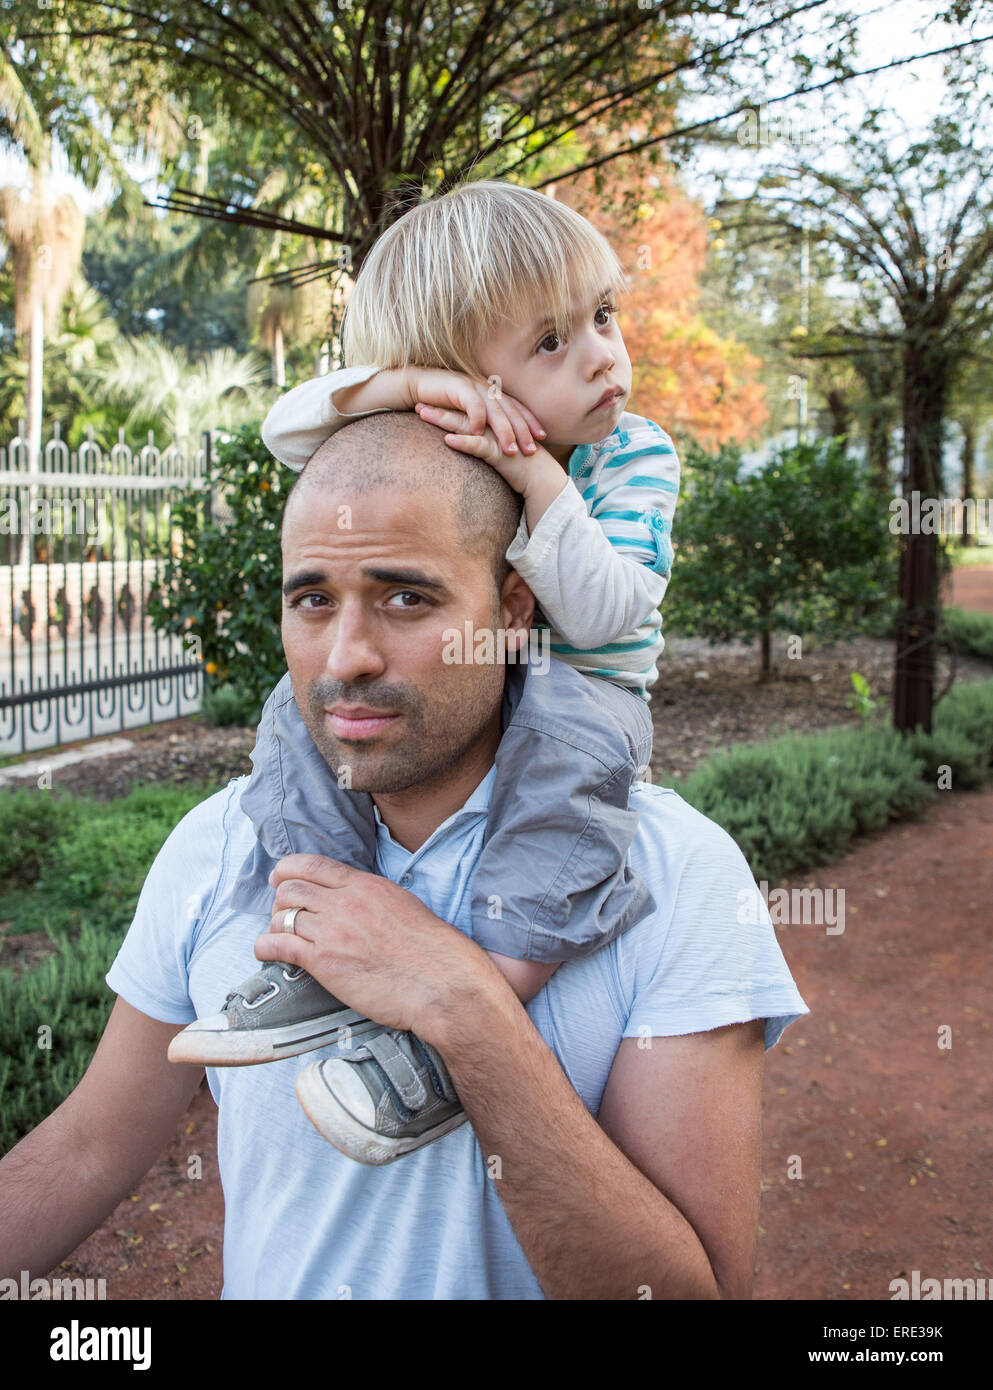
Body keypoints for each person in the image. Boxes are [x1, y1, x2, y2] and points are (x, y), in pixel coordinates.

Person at [0, 413, 809, 1300]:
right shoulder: (221, 844)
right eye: (312, 599)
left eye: (406, 598)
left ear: (509, 609)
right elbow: (86, 1148)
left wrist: (466, 1008)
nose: (345, 658)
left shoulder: (674, 873)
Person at [169, 181, 682, 1164]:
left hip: (580, 683)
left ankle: (460, 1033)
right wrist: (404, 391)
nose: (601, 356)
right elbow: (288, 427)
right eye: (549, 341)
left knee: (564, 802)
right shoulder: (439, 440)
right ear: (464, 376)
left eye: (603, 317)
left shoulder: (631, 455)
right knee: (298, 712)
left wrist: (535, 479)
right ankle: (316, 922)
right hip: (456, 674)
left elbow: (611, 607)